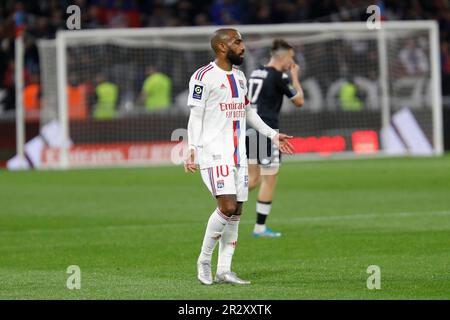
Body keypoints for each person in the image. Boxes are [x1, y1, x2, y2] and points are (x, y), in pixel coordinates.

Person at [184, 29, 294, 285]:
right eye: (237, 42)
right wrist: (191, 148)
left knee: (237, 212)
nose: (243, 46)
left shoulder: (240, 77)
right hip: (214, 152)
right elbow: (196, 116)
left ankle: (224, 269)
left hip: (238, 154)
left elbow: (249, 112)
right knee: (227, 207)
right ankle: (203, 260)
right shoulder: (203, 77)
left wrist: (272, 135)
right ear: (222, 47)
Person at [246, 39, 304, 238]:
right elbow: (299, 101)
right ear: (285, 56)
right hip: (267, 131)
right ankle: (260, 228)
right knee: (269, 180)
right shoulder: (280, 76)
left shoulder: (256, 72)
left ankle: (226, 207)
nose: (293, 61)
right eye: (292, 57)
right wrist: (295, 77)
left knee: (252, 179)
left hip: (249, 129)